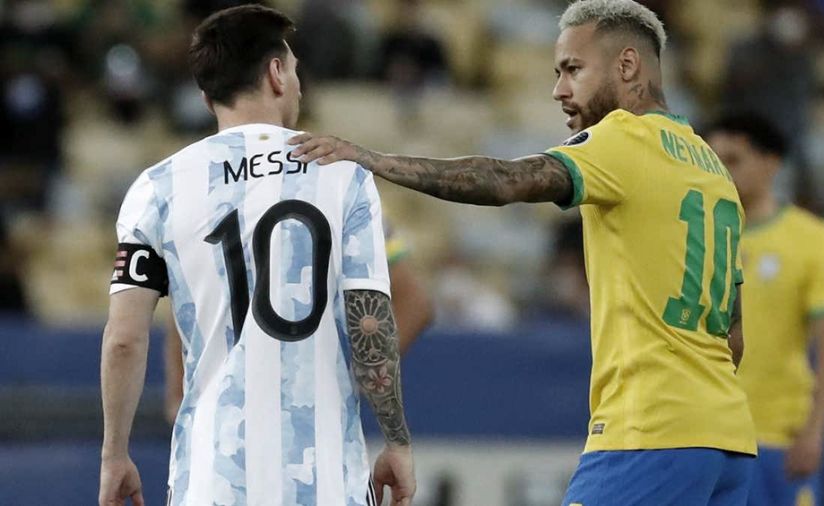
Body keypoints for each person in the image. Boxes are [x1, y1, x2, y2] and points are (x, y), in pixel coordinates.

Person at [290, 1, 757, 504]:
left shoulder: (626, 138)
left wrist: (373, 159)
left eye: (573, 70)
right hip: (728, 438)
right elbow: (733, 338)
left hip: (652, 430)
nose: (559, 90)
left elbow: (506, 181)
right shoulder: (712, 168)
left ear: (627, 65)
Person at [98, 6, 415, 506]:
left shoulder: (157, 188)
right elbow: (369, 322)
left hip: (212, 480)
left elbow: (123, 339)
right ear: (276, 73)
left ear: (207, 97)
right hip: (325, 480)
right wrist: (396, 440)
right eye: (294, 70)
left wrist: (115, 454)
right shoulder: (344, 175)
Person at [708, 113, 824, 506]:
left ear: (771, 163)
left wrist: (815, 430)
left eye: (734, 160)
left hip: (778, 435)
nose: (722, 171)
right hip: (710, 434)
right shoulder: (699, 236)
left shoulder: (812, 238)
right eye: (714, 160)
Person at [164, 221, 434, 424]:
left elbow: (415, 304)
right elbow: (415, 303)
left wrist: (180, 398)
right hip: (300, 411)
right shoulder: (347, 196)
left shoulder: (211, 194)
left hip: (233, 409)